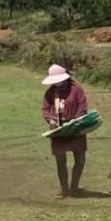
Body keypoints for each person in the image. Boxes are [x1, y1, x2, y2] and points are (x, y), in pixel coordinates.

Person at [41, 64, 90, 198]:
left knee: (80, 159)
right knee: (60, 161)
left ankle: (74, 187)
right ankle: (64, 189)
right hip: (58, 130)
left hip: (76, 127)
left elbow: (83, 106)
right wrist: (51, 120)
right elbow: (45, 109)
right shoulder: (51, 92)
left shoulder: (77, 89)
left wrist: (76, 121)